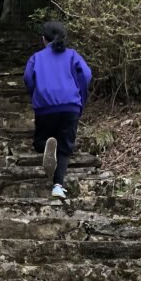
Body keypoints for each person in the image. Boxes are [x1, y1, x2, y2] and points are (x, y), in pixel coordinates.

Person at [24, 21, 92, 200]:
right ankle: (58, 186)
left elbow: (28, 79)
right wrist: (80, 98)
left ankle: (46, 147)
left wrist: (37, 96)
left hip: (45, 106)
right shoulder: (72, 56)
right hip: (70, 105)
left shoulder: (36, 58)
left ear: (43, 39)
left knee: (40, 142)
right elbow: (86, 75)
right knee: (64, 147)